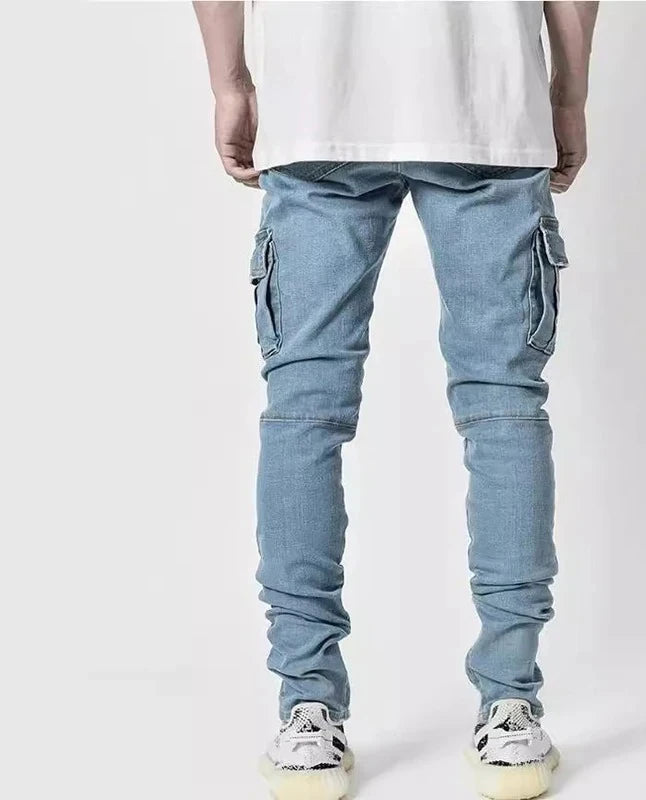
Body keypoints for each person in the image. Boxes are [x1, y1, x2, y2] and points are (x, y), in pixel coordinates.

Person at [193, 2, 598, 798]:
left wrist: (230, 81)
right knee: (503, 409)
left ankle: (307, 710)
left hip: (318, 102)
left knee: (305, 411)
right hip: (486, 98)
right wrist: (567, 90)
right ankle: (511, 707)